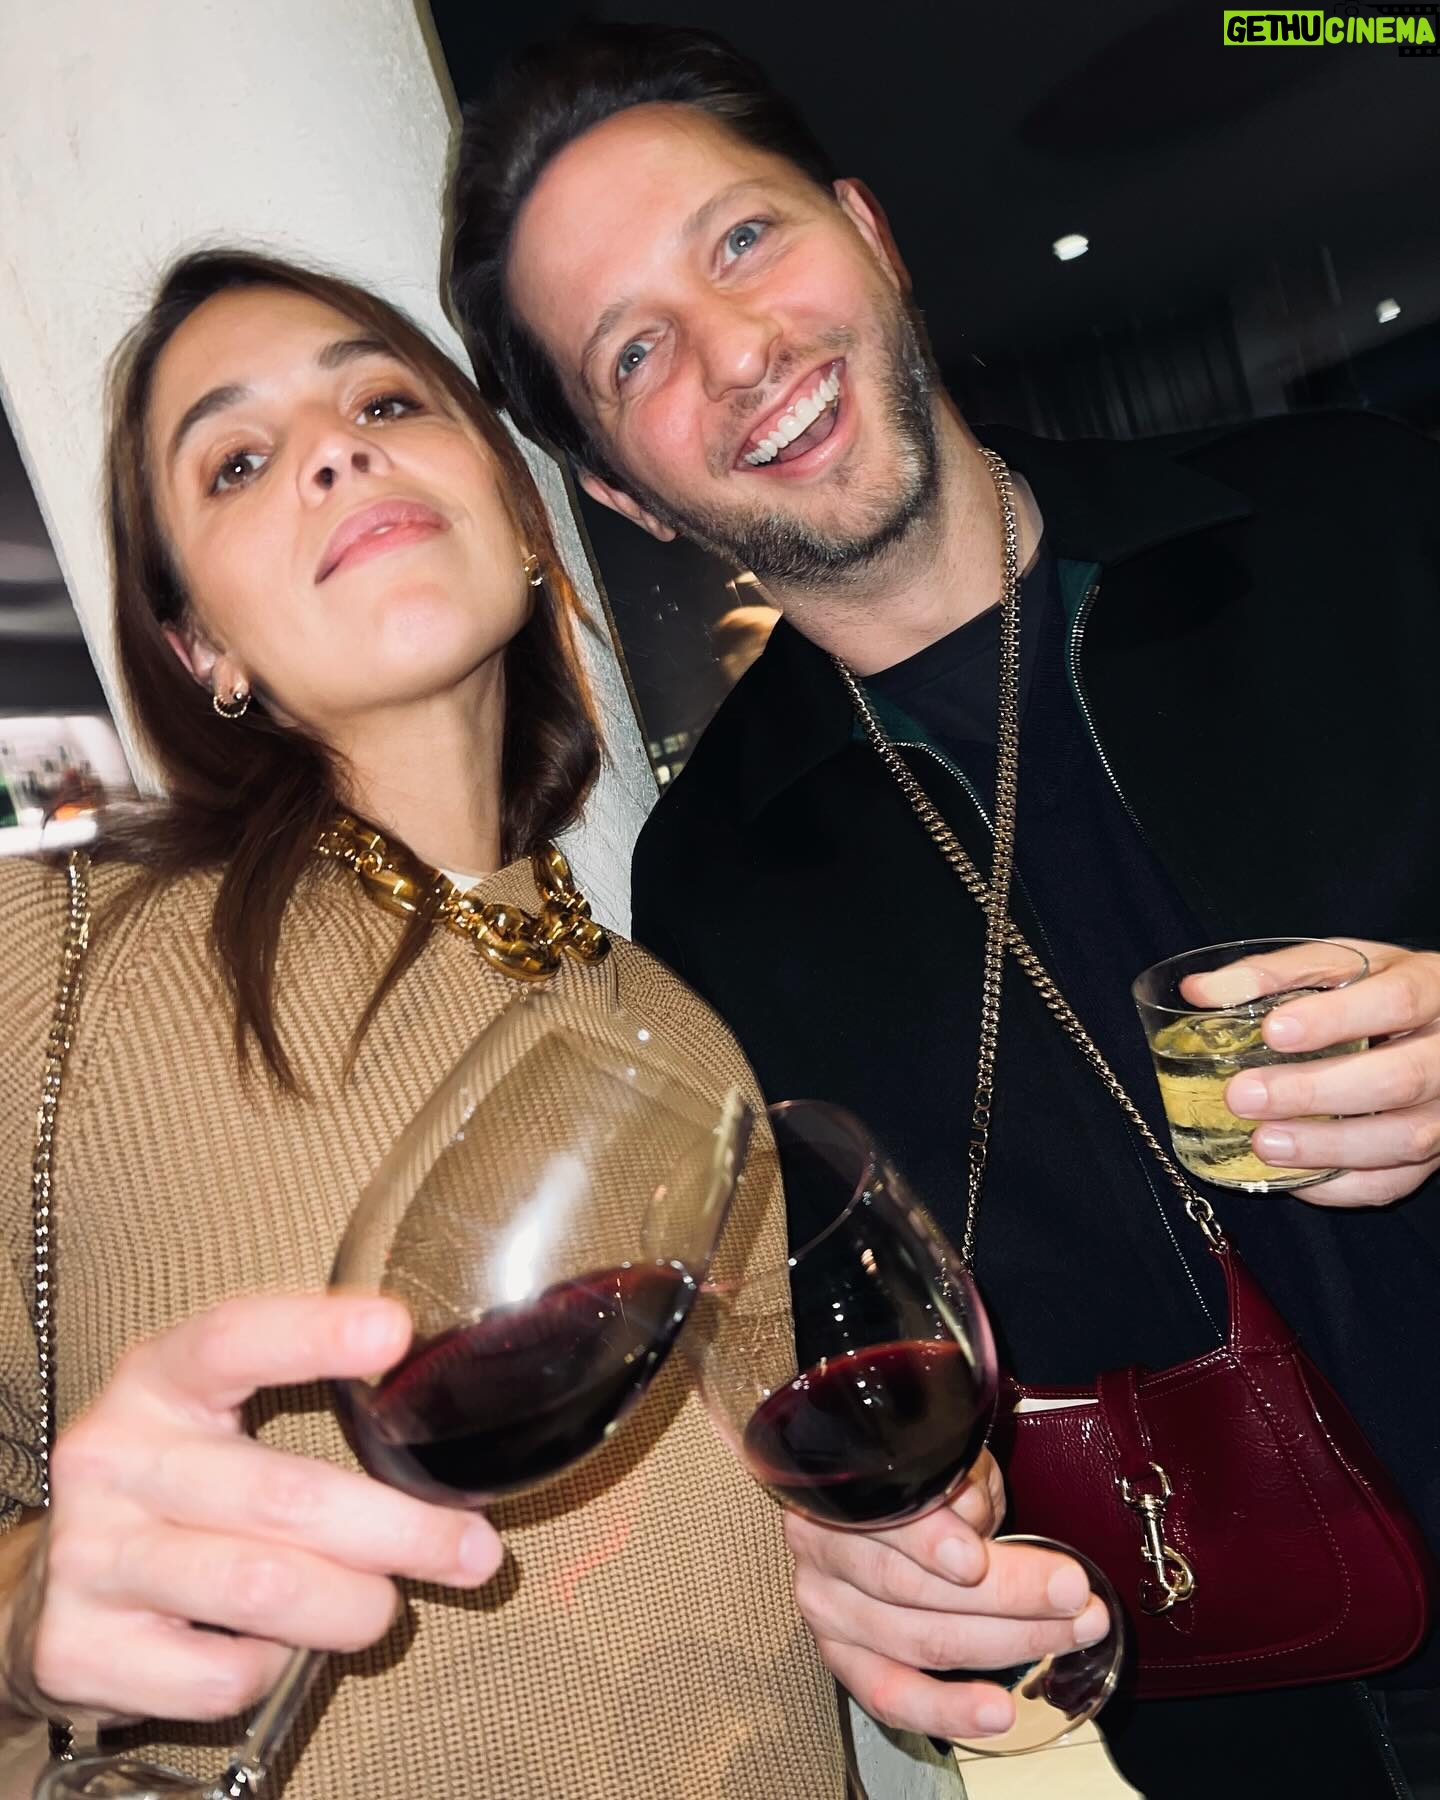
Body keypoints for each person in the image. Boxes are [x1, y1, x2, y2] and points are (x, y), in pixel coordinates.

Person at [445, 23, 1440, 1798]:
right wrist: (888, 1585)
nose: (737, 350)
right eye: (635, 351)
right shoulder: (712, 890)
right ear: (616, 487)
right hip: (1258, 1736)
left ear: (869, 230)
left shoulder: (1357, 518)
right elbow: (850, 1380)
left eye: (744, 239)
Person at [0, 248, 891, 1798]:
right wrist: (21, 1611)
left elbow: (770, 1519)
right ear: (200, 648)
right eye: (238, 461)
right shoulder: (50, 948)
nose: (337, 453)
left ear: (521, 518)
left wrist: (898, 1571)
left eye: (386, 403)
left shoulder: (681, 1025)